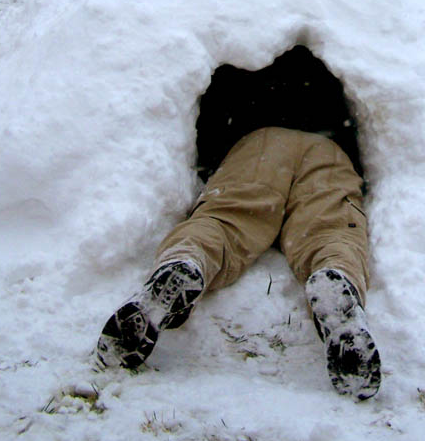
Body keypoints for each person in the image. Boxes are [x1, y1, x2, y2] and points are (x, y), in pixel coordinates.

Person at [96, 46, 381, 401]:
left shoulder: (244, 65)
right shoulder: (329, 76)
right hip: (328, 147)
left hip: (258, 144)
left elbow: (214, 122)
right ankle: (335, 278)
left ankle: (187, 260)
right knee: (330, 227)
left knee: (226, 218)